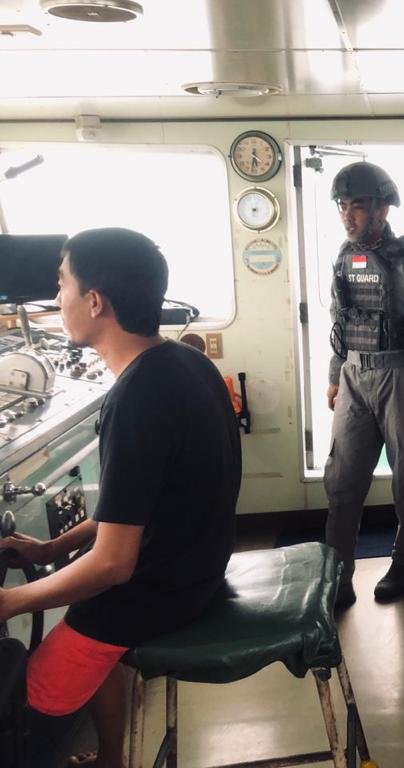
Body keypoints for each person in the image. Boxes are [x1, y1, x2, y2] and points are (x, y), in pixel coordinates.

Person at [0, 228, 241, 768]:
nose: (56, 298)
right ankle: (113, 757)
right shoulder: (185, 362)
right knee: (81, 606)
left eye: (62, 284)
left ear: (95, 301)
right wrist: (50, 550)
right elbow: (133, 506)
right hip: (197, 569)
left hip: (159, 591)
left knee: (28, 692)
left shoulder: (136, 397)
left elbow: (112, 565)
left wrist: (12, 602)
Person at [323, 161, 404, 610]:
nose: (347, 215)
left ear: (382, 209)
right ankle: (337, 576)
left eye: (357, 205)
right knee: (342, 481)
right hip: (354, 377)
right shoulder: (343, 257)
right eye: (342, 205)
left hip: (401, 377)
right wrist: (334, 375)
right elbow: (340, 321)